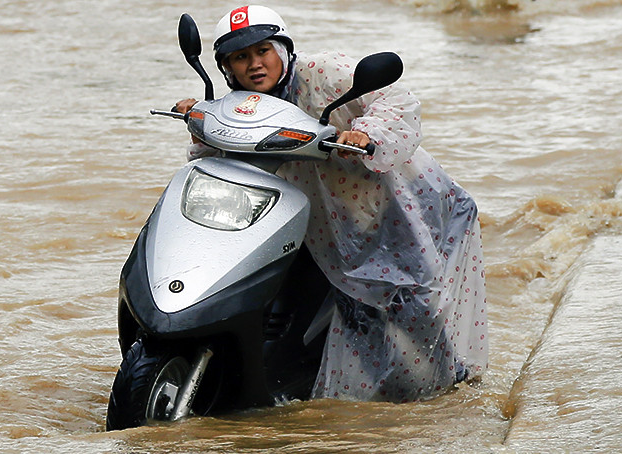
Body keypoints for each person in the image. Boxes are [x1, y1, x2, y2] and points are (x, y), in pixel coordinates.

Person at [175, 5, 488, 403]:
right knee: (347, 312)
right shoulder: (241, 104)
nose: (255, 65)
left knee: (416, 305)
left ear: (283, 50)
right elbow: (219, 151)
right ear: (227, 67)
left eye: (263, 51)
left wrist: (365, 133)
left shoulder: (323, 72)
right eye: (241, 57)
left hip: (394, 206)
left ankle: (449, 390)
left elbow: (397, 100)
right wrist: (200, 117)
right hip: (328, 222)